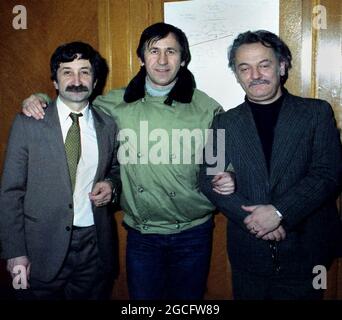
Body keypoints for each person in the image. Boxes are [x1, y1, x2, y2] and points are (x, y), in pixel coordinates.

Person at [21, 23, 234, 300]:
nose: (161, 59)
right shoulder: (114, 103)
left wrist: (227, 176)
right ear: (141, 58)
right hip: (142, 234)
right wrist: (40, 100)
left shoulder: (207, 108)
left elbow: (219, 163)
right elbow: (71, 106)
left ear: (183, 59)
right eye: (153, 51)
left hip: (192, 232)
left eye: (171, 51)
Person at [200, 30, 342, 300]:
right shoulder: (224, 122)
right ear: (237, 75)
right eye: (245, 68)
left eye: (264, 65)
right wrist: (254, 221)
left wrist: (279, 212)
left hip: (307, 252)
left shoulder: (316, 113)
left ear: (282, 65)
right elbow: (208, 178)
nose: (255, 75)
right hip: (249, 255)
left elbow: (328, 174)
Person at [0, 41, 121, 300]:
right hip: (39, 247)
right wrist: (14, 251)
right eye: (67, 71)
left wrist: (111, 185)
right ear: (54, 81)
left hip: (94, 246)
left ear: (96, 80)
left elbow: (114, 169)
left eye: (84, 71)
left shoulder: (108, 126)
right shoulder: (29, 124)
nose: (76, 79)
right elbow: (11, 192)